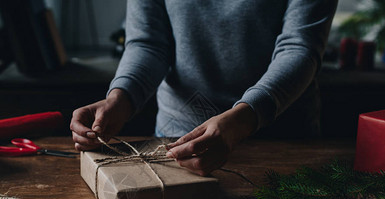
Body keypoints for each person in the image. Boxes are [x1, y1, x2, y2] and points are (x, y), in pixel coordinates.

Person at [71, 0, 338, 176]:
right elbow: (149, 43)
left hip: (281, 145)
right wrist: (121, 97)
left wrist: (243, 119)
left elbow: (299, 48)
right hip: (177, 143)